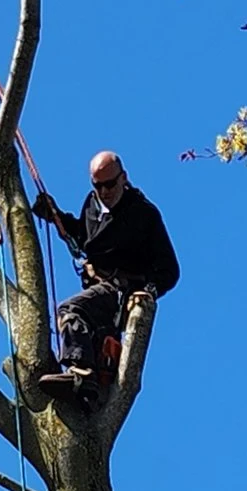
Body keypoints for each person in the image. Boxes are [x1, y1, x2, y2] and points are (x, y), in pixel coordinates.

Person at [34, 151, 181, 393]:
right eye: (98, 186)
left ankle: (81, 371)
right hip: (98, 290)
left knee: (71, 310)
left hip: (122, 290)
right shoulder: (92, 204)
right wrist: (55, 215)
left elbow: (169, 269)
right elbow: (84, 238)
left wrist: (148, 291)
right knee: (96, 344)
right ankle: (88, 392)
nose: (104, 192)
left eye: (110, 184)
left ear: (123, 178)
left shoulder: (143, 214)